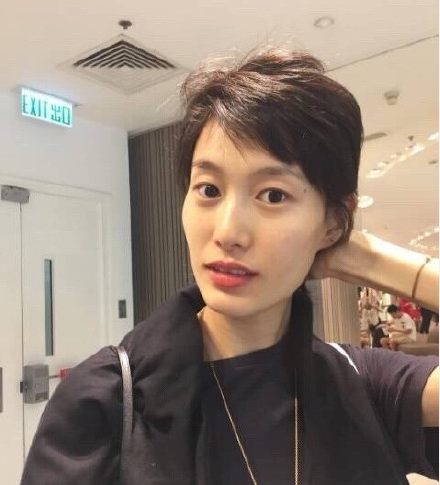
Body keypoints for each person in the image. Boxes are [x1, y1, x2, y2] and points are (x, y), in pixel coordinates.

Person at [21, 48, 439, 485]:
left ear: (333, 221)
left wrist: (371, 261)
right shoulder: (106, 401)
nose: (228, 231)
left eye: (273, 195)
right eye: (209, 189)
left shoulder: (362, 384)